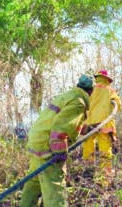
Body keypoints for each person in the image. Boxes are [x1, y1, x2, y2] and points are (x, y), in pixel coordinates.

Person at [20, 74, 93, 207]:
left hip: (36, 143)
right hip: (47, 148)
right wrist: (60, 155)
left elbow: (69, 124)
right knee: (55, 190)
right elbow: (60, 130)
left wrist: (90, 129)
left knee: (34, 184)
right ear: (90, 91)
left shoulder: (67, 96)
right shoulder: (78, 102)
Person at [81, 70, 121, 185]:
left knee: (88, 149)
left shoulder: (90, 88)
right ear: (107, 79)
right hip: (104, 125)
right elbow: (118, 105)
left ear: (97, 77)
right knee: (105, 151)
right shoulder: (110, 90)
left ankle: (88, 177)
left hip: (89, 124)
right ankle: (105, 181)